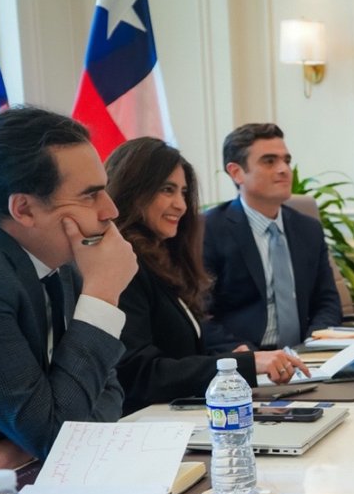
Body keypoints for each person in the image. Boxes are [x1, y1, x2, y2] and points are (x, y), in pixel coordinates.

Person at [0, 107, 138, 494]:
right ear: (23, 209)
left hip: (23, 481)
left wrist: (20, 446)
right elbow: (62, 434)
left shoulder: (55, 257)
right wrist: (103, 294)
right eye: (90, 194)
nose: (110, 210)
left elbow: (108, 390)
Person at [105, 138, 309, 415]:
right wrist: (242, 363)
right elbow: (142, 375)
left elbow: (181, 354)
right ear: (134, 190)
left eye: (183, 192)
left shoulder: (161, 259)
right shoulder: (122, 265)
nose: (181, 205)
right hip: (146, 426)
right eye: (167, 190)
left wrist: (230, 361)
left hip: (182, 414)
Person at [202, 123, 342, 351]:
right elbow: (201, 314)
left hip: (305, 355)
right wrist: (250, 358)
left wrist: (312, 348)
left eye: (286, 160)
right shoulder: (209, 230)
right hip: (245, 360)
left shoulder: (308, 228)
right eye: (269, 161)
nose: (284, 169)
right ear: (236, 172)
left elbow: (327, 302)